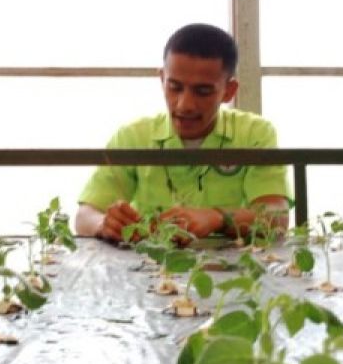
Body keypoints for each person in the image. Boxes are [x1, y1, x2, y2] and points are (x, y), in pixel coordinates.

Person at [75, 23, 290, 243]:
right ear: (161, 80)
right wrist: (104, 224)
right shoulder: (133, 136)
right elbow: (84, 217)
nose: (185, 104)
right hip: (146, 269)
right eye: (175, 87)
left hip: (232, 271)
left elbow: (278, 218)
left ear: (229, 91)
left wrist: (218, 218)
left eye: (203, 91)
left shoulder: (254, 134)